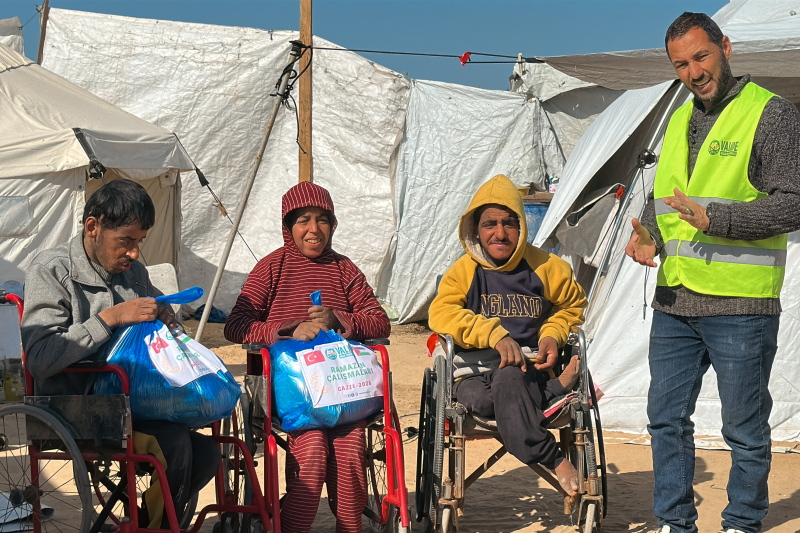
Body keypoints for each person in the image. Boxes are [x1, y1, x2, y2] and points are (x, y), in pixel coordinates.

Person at [625, 12, 800, 533]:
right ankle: (675, 523)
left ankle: (742, 522)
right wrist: (648, 234)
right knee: (665, 420)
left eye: (701, 56)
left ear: (725, 46)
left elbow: (794, 204)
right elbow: (668, 196)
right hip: (675, 303)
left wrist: (717, 219)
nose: (694, 72)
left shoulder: (772, 115)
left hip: (741, 307)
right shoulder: (678, 120)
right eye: (681, 64)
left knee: (743, 429)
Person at [21, 179, 219, 529]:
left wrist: (169, 322)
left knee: (206, 454)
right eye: (125, 241)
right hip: (76, 410)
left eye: (139, 241)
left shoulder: (136, 274)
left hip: (135, 406)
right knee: (173, 447)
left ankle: (146, 523)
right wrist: (110, 318)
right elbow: (40, 356)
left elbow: (165, 332)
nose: (134, 253)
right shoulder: (51, 270)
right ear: (93, 227)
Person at [224, 181, 391, 533]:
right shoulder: (271, 267)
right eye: (303, 220)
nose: (314, 230)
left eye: (322, 220)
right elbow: (236, 325)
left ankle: (349, 527)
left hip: (343, 392)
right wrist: (286, 328)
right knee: (312, 452)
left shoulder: (345, 269)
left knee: (348, 453)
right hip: (293, 397)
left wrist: (340, 320)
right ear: (288, 228)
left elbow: (379, 321)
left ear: (333, 224)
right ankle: (294, 526)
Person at [428, 174, 587, 498]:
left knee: (506, 383)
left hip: (523, 368)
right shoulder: (464, 271)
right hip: (470, 371)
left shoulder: (546, 267)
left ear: (522, 226)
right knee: (482, 402)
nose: (499, 233)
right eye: (489, 224)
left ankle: (553, 458)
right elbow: (440, 314)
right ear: (475, 228)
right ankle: (555, 391)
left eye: (508, 223)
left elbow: (572, 306)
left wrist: (552, 335)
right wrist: (493, 334)